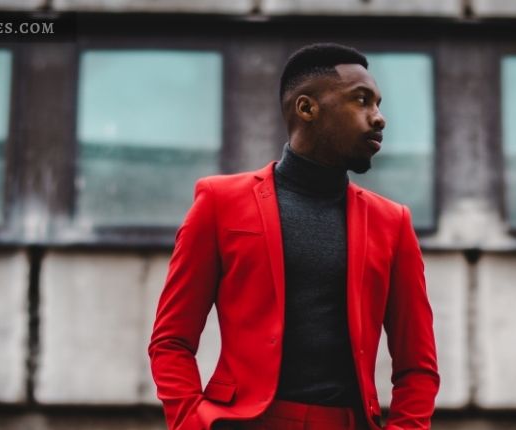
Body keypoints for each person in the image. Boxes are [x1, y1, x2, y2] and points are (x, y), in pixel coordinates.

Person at [149, 43, 439, 430]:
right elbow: (171, 340)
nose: (379, 118)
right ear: (307, 108)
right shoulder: (220, 203)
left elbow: (417, 365)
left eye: (378, 104)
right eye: (362, 101)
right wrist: (190, 421)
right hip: (245, 420)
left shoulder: (393, 223)